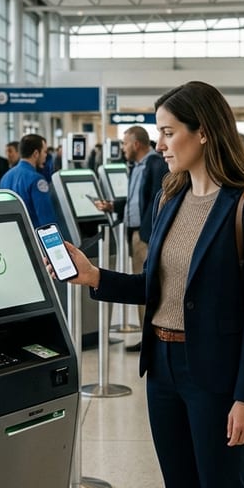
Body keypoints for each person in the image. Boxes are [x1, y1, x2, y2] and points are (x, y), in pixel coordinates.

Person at [56, 81, 244, 488]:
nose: (159, 144)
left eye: (168, 131)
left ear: (203, 133)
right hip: (163, 371)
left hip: (216, 378)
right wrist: (95, 277)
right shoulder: (169, 198)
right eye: (158, 132)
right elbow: (156, 288)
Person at [91, 125, 169, 352]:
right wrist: (114, 206)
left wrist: (148, 233)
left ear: (136, 144)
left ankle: (150, 339)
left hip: (145, 236)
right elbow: (135, 201)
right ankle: (146, 337)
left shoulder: (156, 165)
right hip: (135, 233)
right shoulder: (137, 167)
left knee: (145, 285)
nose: (123, 148)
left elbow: (157, 200)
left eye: (125, 143)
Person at [0, 133, 58, 229]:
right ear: (36, 154)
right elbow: (46, 219)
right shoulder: (37, 180)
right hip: (34, 234)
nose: (46, 155)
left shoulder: (5, 177)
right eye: (44, 152)